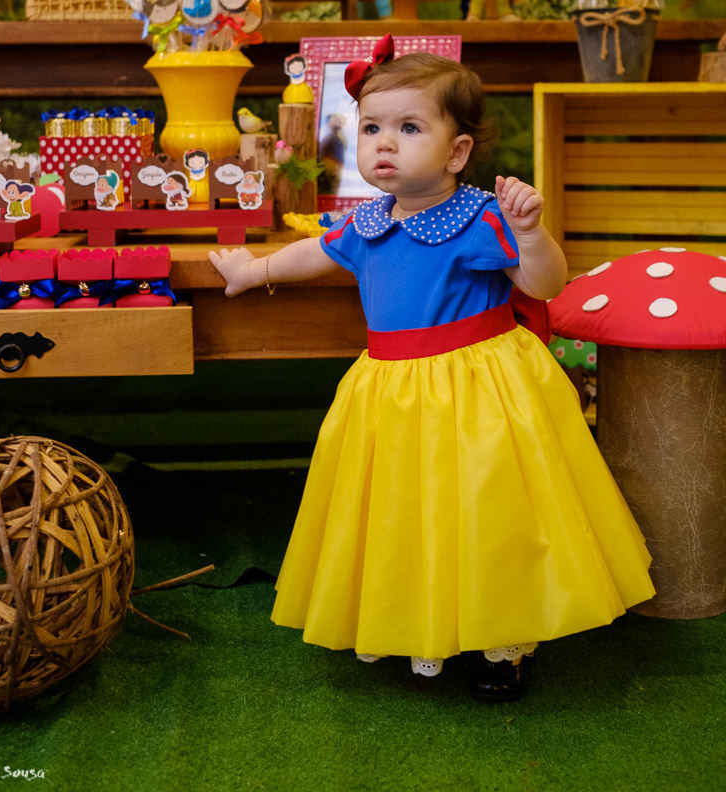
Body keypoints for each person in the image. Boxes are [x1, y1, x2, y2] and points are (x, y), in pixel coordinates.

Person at [209, 37, 655, 701]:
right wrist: (256, 270)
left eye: (409, 128)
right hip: (390, 388)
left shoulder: (478, 216)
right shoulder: (369, 220)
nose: (384, 143)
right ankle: (412, 617)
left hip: (479, 389)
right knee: (403, 509)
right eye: (371, 128)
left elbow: (545, 283)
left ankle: (504, 637)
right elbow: (317, 254)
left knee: (486, 509)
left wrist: (531, 234)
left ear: (457, 151)